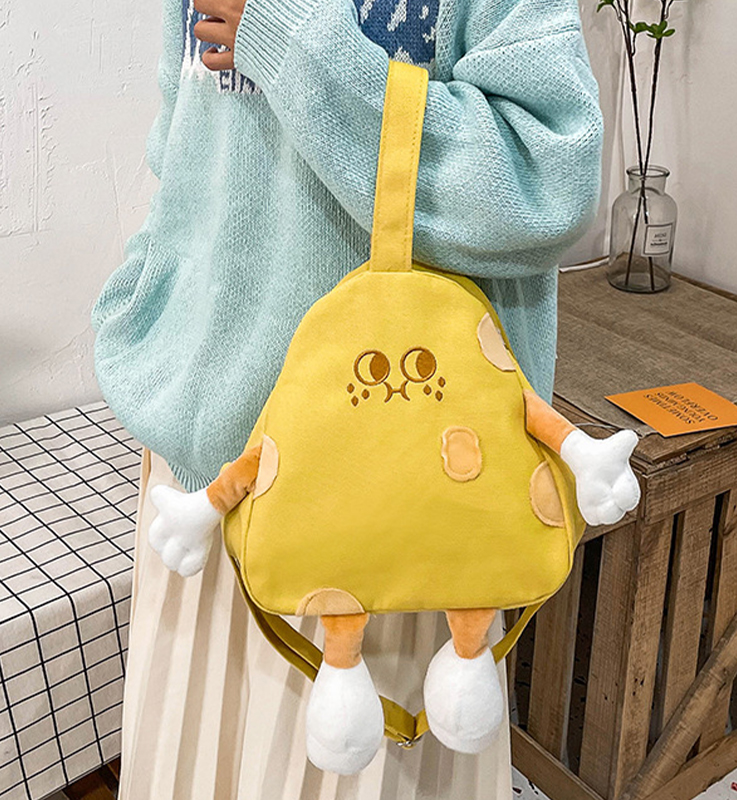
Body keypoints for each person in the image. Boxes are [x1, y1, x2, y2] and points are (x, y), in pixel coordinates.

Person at [90, 0, 604, 796]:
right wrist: (145, 299)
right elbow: (184, 148)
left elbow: (545, 182)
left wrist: (292, 40)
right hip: (202, 475)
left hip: (391, 487)